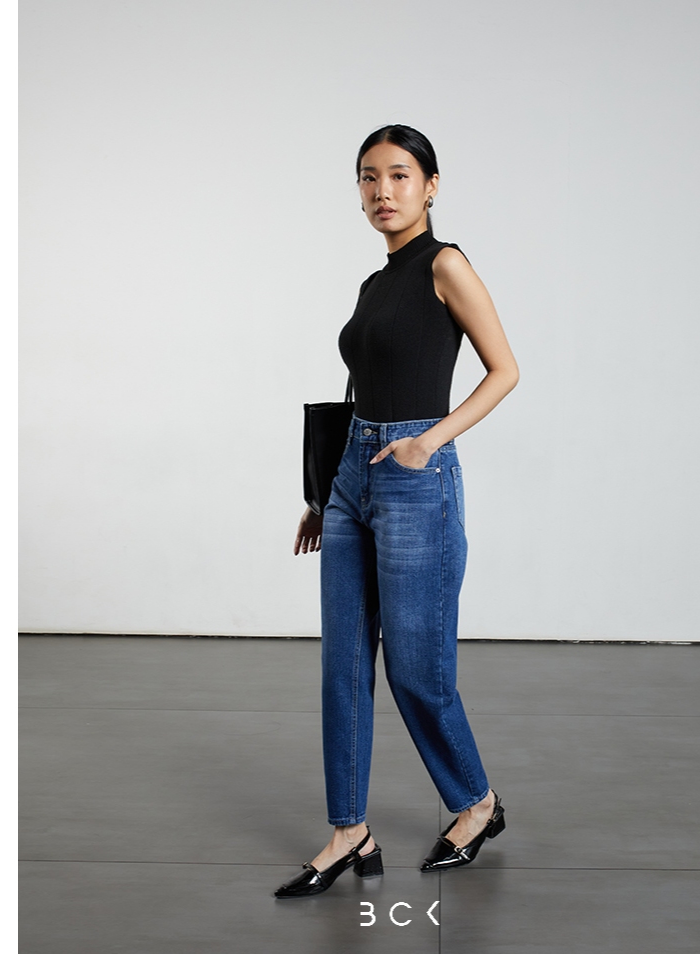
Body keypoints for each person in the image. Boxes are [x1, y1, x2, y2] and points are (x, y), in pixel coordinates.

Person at [275, 124, 519, 899]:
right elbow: (361, 389)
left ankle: (476, 802)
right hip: (353, 476)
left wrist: (428, 442)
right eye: (368, 177)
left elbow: (505, 370)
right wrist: (324, 494)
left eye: (400, 174)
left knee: (416, 667)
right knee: (343, 665)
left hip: (416, 474)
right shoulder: (372, 284)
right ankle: (349, 830)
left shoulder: (446, 265)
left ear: (431, 185)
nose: (383, 191)